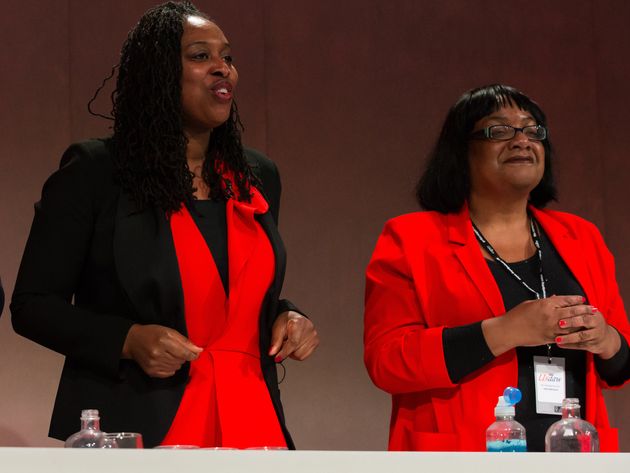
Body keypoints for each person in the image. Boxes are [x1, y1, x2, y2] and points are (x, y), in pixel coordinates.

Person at [11, 1, 318, 449]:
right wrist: (127, 339)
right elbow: (33, 305)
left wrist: (288, 315)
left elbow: (230, 290)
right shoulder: (97, 171)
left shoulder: (257, 176)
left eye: (228, 58)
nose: (223, 69)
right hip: (141, 424)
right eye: (200, 56)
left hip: (254, 423)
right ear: (157, 74)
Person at [364, 84, 630, 452]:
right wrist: (504, 331)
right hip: (460, 455)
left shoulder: (581, 237)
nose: (522, 140)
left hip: (573, 455)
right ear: (461, 152)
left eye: (533, 130)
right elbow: (387, 360)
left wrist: (605, 339)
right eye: (500, 130)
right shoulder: (411, 239)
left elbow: (621, 364)